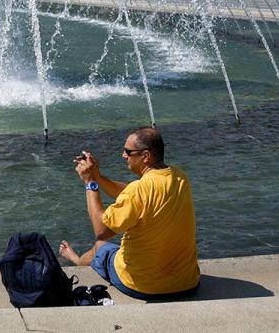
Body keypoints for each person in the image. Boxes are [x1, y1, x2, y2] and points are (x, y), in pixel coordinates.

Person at [58, 127, 200, 300]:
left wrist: (90, 183)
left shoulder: (138, 191)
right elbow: (132, 193)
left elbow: (101, 231)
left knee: (100, 247)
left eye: (128, 152)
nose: (123, 155)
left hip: (143, 285)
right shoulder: (179, 177)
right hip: (187, 283)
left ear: (145, 156)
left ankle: (79, 262)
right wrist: (98, 176)